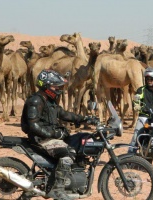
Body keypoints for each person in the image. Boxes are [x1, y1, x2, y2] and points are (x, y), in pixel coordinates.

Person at [21, 69, 94, 199]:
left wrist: (84, 118)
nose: (59, 89)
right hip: (40, 139)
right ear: (46, 86)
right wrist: (54, 134)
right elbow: (33, 125)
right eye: (56, 86)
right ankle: (57, 189)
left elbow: (63, 114)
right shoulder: (36, 101)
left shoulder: (49, 101)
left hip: (46, 137)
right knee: (69, 152)